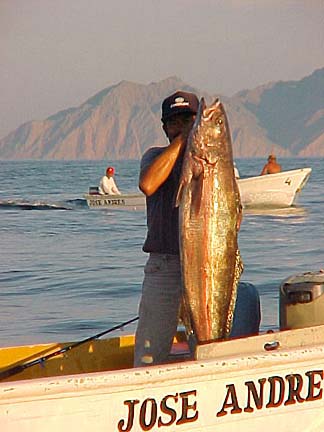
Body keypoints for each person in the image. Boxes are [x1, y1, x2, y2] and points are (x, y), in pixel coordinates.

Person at [134, 91, 260, 368]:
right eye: (174, 122)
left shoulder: (221, 167)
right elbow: (148, 184)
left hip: (209, 265)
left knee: (207, 346)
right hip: (164, 266)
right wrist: (184, 140)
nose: (182, 125)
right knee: (149, 350)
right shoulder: (155, 157)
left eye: (189, 120)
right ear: (164, 127)